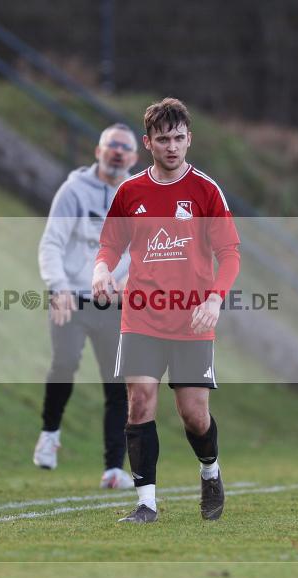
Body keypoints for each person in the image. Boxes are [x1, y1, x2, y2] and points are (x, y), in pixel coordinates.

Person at [93, 98, 241, 523]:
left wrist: (214, 299)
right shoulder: (130, 192)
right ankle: (146, 504)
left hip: (192, 319)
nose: (172, 146)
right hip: (141, 315)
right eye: (163, 140)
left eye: (178, 138)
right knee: (139, 403)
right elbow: (110, 244)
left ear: (189, 139)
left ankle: (210, 471)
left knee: (193, 415)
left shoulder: (206, 191)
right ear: (148, 143)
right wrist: (101, 269)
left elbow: (230, 254)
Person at [35, 124, 139, 489]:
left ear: (134, 157)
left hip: (113, 302)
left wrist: (130, 282)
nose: (118, 152)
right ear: (98, 151)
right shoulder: (73, 191)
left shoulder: (138, 196)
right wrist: (58, 287)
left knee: (118, 384)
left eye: (125, 148)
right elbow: (51, 242)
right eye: (112, 145)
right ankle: (49, 435)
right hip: (73, 298)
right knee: (64, 363)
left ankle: (113, 469)